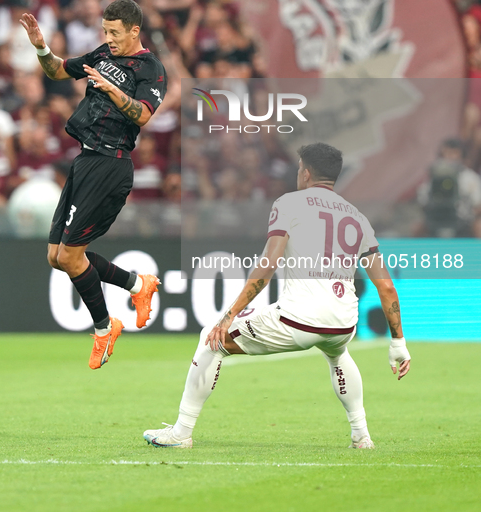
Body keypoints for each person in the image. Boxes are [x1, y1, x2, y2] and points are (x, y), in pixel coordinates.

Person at [143, 143, 411, 448]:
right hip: (344, 323)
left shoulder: (290, 203)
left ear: (307, 174)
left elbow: (268, 263)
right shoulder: (358, 218)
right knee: (337, 353)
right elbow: (386, 286)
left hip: (300, 319)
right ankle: (361, 436)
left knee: (211, 339)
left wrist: (227, 316)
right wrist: (398, 342)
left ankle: (180, 433)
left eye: (299, 168)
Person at [19, 0, 167, 369]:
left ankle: (105, 328)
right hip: (85, 160)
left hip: (112, 164)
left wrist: (112, 89)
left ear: (135, 30)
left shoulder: (151, 69)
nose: (108, 38)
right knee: (56, 256)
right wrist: (41, 45)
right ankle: (137, 284)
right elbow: (56, 71)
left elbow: (143, 115)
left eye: (115, 32)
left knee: (70, 256)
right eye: (105, 31)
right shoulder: (103, 53)